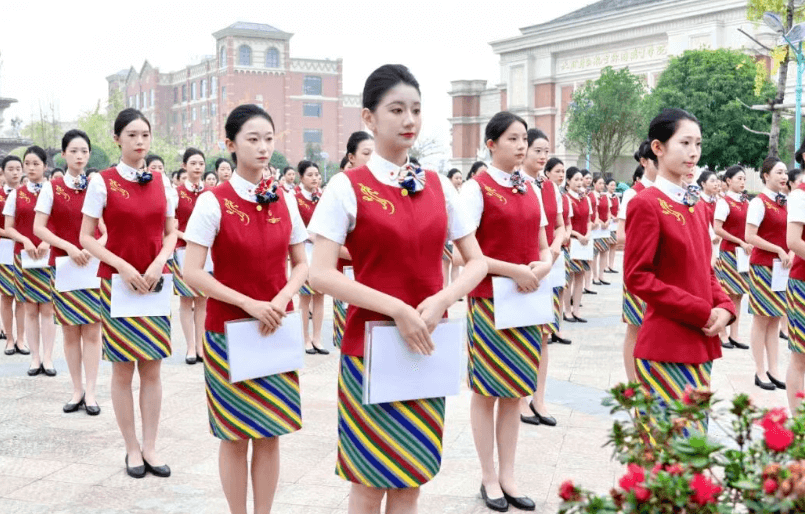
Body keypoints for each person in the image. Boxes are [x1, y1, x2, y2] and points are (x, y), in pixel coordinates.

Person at [308, 64, 487, 514]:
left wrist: (443, 298)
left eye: (416, 110)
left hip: (426, 348)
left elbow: (477, 261)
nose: (409, 120)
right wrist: (398, 309)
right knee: (368, 483)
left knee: (411, 481)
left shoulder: (440, 186)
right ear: (368, 118)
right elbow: (320, 274)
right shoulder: (346, 187)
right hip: (370, 352)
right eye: (397, 110)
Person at [183, 104, 308, 514]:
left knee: (271, 433)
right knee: (234, 436)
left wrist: (281, 297)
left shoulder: (285, 199)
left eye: (268, 139)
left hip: (275, 329)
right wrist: (246, 302)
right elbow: (192, 271)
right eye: (252, 139)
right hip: (228, 333)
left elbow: (302, 263)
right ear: (231, 144)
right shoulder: (213, 202)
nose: (262, 147)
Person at [458, 111, 551, 512]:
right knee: (486, 391)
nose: (521, 145)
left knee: (514, 393)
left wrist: (543, 266)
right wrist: (515, 271)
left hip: (526, 303)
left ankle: (509, 475)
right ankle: (488, 476)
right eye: (513, 138)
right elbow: (466, 254)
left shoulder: (531, 188)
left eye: (524, 139)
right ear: (491, 144)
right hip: (489, 302)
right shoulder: (476, 189)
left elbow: (544, 244)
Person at [80, 108, 177, 478]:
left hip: (154, 283)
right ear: (117, 139)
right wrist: (120, 265)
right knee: (123, 369)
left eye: (145, 135)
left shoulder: (163, 183)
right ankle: (132, 448)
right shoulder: (102, 182)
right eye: (132, 135)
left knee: (152, 368)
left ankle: (151, 446)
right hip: (117, 284)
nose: (140, 141)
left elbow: (171, 232)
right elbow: (86, 237)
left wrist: (159, 262)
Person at [624, 108, 734, 434]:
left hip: (700, 342)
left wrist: (725, 307)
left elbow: (704, 269)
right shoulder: (646, 203)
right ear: (658, 148)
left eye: (697, 144)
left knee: (693, 443)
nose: (693, 152)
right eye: (684, 143)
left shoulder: (696, 205)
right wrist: (700, 311)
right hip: (666, 346)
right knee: (667, 448)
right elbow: (637, 277)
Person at [33, 129, 105, 414]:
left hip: (92, 266)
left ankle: (92, 392)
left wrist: (95, 248)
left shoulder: (97, 187)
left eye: (84, 151)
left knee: (93, 330)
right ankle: (77, 390)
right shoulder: (52, 187)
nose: (79, 156)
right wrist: (70, 247)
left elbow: (108, 229)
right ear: (63, 154)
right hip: (64, 266)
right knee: (70, 331)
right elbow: (39, 228)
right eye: (73, 151)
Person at [519, 130, 568, 433]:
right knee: (521, 333)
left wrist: (554, 246)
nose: (542, 156)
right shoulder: (517, 184)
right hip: (523, 269)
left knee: (543, 336)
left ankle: (539, 398)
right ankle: (520, 398)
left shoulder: (550, 188)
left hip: (548, 265)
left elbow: (560, 226)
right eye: (537, 150)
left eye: (546, 151)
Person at [4, 146, 55, 377]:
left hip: (48, 256)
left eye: (36, 164)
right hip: (24, 257)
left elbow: (63, 223)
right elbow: (8, 227)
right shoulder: (17, 194)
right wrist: (24, 240)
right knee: (29, 308)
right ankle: (35, 358)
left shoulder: (55, 192)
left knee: (48, 309)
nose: (31, 168)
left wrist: (47, 242)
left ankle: (48, 357)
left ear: (45, 166)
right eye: (28, 164)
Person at [746, 156, 791, 391]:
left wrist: (789, 252)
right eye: (779, 172)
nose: (784, 176)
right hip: (763, 267)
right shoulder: (758, 203)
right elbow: (750, 236)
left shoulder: (786, 202)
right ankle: (759, 370)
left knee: (775, 319)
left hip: (781, 269)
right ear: (766, 176)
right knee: (761, 319)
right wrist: (778, 250)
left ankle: (774, 369)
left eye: (785, 172)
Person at [616, 141, 658, 382]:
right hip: (639, 269)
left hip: (663, 272)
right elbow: (620, 236)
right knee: (636, 325)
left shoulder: (670, 191)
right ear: (644, 162)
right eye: (655, 160)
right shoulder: (634, 193)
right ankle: (634, 381)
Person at [331, 131, 375, 349]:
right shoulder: (339, 191)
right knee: (348, 330)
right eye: (366, 153)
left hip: (373, 274)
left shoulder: (382, 193)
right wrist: (360, 254)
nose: (371, 159)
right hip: (345, 272)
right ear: (351, 158)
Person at [172, 148, 209, 364]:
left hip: (206, 252)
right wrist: (186, 236)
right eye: (193, 163)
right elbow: (169, 227)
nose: (197, 167)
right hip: (183, 249)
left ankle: (201, 345)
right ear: (184, 166)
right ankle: (190, 347)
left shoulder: (211, 193)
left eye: (201, 163)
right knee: (186, 300)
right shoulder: (176, 193)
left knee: (203, 299)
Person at [713, 165, 752, 350]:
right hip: (729, 253)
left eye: (744, 179)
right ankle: (722, 333)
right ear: (728, 181)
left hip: (744, 254)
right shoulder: (724, 202)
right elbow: (718, 229)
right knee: (727, 294)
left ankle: (734, 335)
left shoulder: (746, 202)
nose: (742, 182)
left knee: (738, 294)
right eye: (739, 179)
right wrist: (739, 241)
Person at [294, 160, 327, 355]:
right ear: (301, 177)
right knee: (305, 297)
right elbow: (293, 225)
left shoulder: (322, 196)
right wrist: (309, 235)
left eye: (317, 175)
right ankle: (305, 338)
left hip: (322, 251)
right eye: (310, 175)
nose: (314, 178)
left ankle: (317, 338)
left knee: (320, 296)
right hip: (304, 251)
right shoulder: (295, 198)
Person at [0, 156, 26, 356]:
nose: (15, 172)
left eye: (18, 168)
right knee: (7, 295)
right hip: (4, 249)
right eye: (11, 169)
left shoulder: (29, 195)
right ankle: (9, 338)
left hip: (25, 250)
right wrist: (11, 234)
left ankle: (21, 339)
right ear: (3, 172)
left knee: (22, 296)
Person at [786, 166, 805, 410]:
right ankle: (799, 420)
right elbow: (793, 241)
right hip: (802, 282)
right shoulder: (800, 196)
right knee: (801, 356)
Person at [565, 166, 592, 324]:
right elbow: (566, 224)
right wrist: (578, 235)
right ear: (568, 181)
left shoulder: (586, 198)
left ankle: (576, 309)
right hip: (572, 242)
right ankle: (567, 310)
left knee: (580, 276)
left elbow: (588, 220)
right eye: (576, 179)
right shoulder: (566, 199)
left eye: (581, 179)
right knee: (569, 278)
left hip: (584, 243)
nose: (579, 182)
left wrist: (587, 234)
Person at [592, 174, 612, 287]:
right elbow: (594, 212)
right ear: (594, 184)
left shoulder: (605, 196)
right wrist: (600, 222)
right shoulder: (592, 196)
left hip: (605, 227)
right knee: (595, 253)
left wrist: (608, 221)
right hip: (597, 228)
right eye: (599, 183)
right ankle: (594, 277)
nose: (602, 185)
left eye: (603, 183)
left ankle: (601, 275)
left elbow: (609, 211)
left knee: (604, 251)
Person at [604, 178, 619, 273]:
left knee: (614, 245)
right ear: (607, 186)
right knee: (607, 245)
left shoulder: (616, 197)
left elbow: (619, 208)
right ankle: (605, 266)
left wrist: (618, 216)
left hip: (615, 224)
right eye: (611, 185)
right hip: (608, 223)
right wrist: (612, 217)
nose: (613, 187)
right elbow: (606, 210)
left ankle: (611, 265)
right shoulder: (605, 197)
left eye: (614, 185)